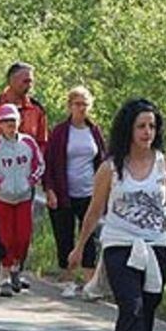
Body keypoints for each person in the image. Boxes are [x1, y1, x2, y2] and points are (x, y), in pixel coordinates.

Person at [68, 98, 166, 331]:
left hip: (156, 247)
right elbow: (95, 211)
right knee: (131, 308)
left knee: (147, 311)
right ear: (128, 130)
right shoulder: (110, 168)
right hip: (120, 246)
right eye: (141, 126)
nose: (147, 132)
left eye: (152, 126)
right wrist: (80, 245)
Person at [0, 61, 48, 285]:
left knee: (22, 231)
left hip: (23, 183)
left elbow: (41, 144)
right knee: (0, 227)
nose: (30, 84)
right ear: (11, 80)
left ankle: (16, 269)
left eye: (31, 80)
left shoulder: (37, 109)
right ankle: (2, 263)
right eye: (25, 80)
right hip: (1, 181)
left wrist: (35, 179)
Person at [43, 86, 106, 298]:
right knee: (64, 235)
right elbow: (49, 163)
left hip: (89, 192)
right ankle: (68, 279)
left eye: (85, 104)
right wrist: (50, 190)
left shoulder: (94, 130)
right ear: (70, 106)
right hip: (64, 192)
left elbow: (103, 160)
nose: (81, 108)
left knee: (89, 237)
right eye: (77, 104)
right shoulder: (60, 132)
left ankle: (89, 283)